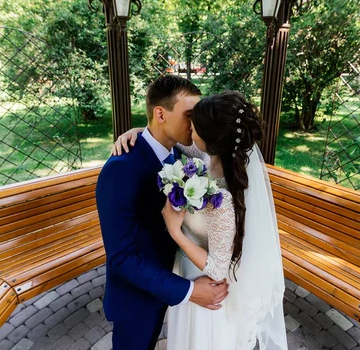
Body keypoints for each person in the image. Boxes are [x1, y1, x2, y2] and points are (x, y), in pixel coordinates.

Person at [113, 89, 288, 349]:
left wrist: (176, 232)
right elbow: (174, 139)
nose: (188, 132)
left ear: (209, 139)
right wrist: (141, 130)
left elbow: (218, 267)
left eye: (193, 128)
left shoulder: (223, 201)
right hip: (188, 274)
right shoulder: (209, 157)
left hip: (205, 285)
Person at [95, 76, 229, 350]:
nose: (195, 125)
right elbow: (121, 257)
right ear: (160, 113)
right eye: (190, 115)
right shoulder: (120, 168)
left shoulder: (182, 155)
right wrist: (190, 291)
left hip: (173, 279)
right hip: (137, 297)